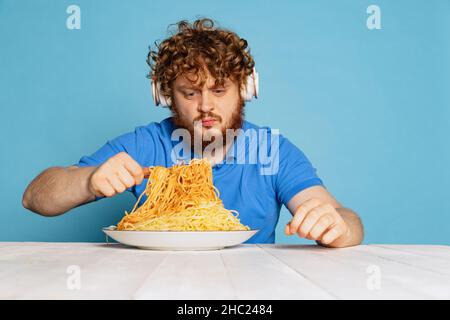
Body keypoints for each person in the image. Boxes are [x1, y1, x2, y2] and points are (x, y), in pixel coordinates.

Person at [22, 18, 364, 247]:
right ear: (166, 96)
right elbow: (35, 197)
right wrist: (87, 181)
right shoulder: (145, 144)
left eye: (218, 91)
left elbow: (347, 220)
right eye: (190, 93)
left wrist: (336, 226)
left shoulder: (271, 150)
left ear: (244, 90)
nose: (205, 107)